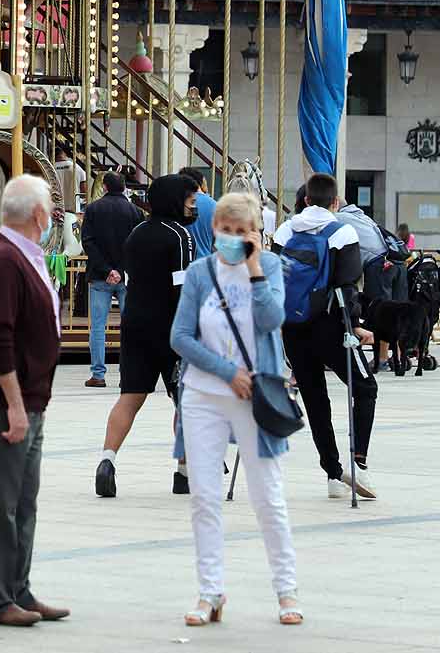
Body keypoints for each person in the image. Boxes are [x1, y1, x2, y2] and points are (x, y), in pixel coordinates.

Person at [171, 191, 300, 627]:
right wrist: (226, 371)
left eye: (242, 231)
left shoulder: (272, 268)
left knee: (268, 497)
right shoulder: (198, 274)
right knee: (204, 497)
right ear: (214, 231)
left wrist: (256, 269)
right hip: (204, 394)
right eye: (226, 230)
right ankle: (210, 592)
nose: (233, 238)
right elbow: (181, 337)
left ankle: (286, 590)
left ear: (257, 234)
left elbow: (271, 321)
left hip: (255, 397)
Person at [0, 175, 67, 628]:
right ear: (38, 215)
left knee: (24, 501)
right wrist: (16, 405)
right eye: (49, 210)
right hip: (1, 402)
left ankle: (18, 588)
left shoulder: (24, 255)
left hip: (29, 398)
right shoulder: (4, 260)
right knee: (0, 503)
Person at [273, 173, 377, 500]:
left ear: (304, 200)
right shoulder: (342, 231)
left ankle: (332, 474)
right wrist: (356, 325)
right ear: (335, 202)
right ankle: (357, 460)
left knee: (316, 399)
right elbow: (348, 284)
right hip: (331, 325)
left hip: (293, 327)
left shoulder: (285, 230)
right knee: (365, 387)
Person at [96, 174, 197, 498]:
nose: (192, 206)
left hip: (135, 323)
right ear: (174, 201)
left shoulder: (137, 233)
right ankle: (183, 472)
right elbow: (183, 287)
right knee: (183, 401)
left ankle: (107, 460)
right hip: (171, 329)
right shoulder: (180, 236)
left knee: (130, 396)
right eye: (189, 200)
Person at [80, 171, 139, 388]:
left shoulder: (93, 209)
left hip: (99, 275)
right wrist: (121, 270)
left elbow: (88, 242)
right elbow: (135, 245)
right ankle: (128, 373)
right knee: (129, 326)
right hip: (126, 276)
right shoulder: (134, 211)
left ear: (104, 187)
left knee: (97, 326)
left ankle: (98, 374)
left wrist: (106, 270)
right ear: (123, 187)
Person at [179, 167, 217, 259]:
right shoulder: (215, 205)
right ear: (201, 182)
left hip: (181, 261)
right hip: (205, 262)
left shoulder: (178, 203)